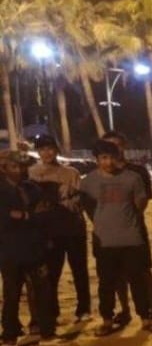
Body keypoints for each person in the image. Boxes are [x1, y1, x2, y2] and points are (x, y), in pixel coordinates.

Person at [81, 140, 152, 335]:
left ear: (118, 158)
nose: (108, 162)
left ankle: (146, 318)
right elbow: (89, 208)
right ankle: (107, 320)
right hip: (104, 240)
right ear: (97, 159)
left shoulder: (132, 178)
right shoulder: (88, 181)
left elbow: (140, 205)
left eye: (112, 157)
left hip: (131, 238)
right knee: (106, 283)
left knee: (137, 281)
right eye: (103, 158)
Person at [101, 131, 152, 324]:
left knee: (143, 270)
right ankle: (125, 310)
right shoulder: (99, 173)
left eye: (116, 145)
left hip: (134, 227)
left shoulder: (138, 172)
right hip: (109, 231)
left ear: (124, 147)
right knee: (116, 274)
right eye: (108, 146)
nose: (113, 150)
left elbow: (143, 200)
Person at [27, 136, 91, 324]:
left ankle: (83, 308)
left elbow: (79, 200)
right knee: (51, 274)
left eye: (50, 149)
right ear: (37, 152)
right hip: (48, 231)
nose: (47, 153)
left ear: (57, 150)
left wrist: (67, 201)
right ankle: (51, 312)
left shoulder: (71, 172)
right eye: (42, 149)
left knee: (79, 270)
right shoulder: (31, 173)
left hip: (73, 228)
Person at [1, 151, 52, 346]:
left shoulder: (31, 188)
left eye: (22, 167)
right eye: (15, 167)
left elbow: (43, 212)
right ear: (4, 168)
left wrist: (22, 216)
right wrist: (25, 216)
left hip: (33, 246)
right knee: (12, 293)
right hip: (9, 250)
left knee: (40, 290)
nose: (20, 171)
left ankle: (43, 328)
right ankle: (9, 333)